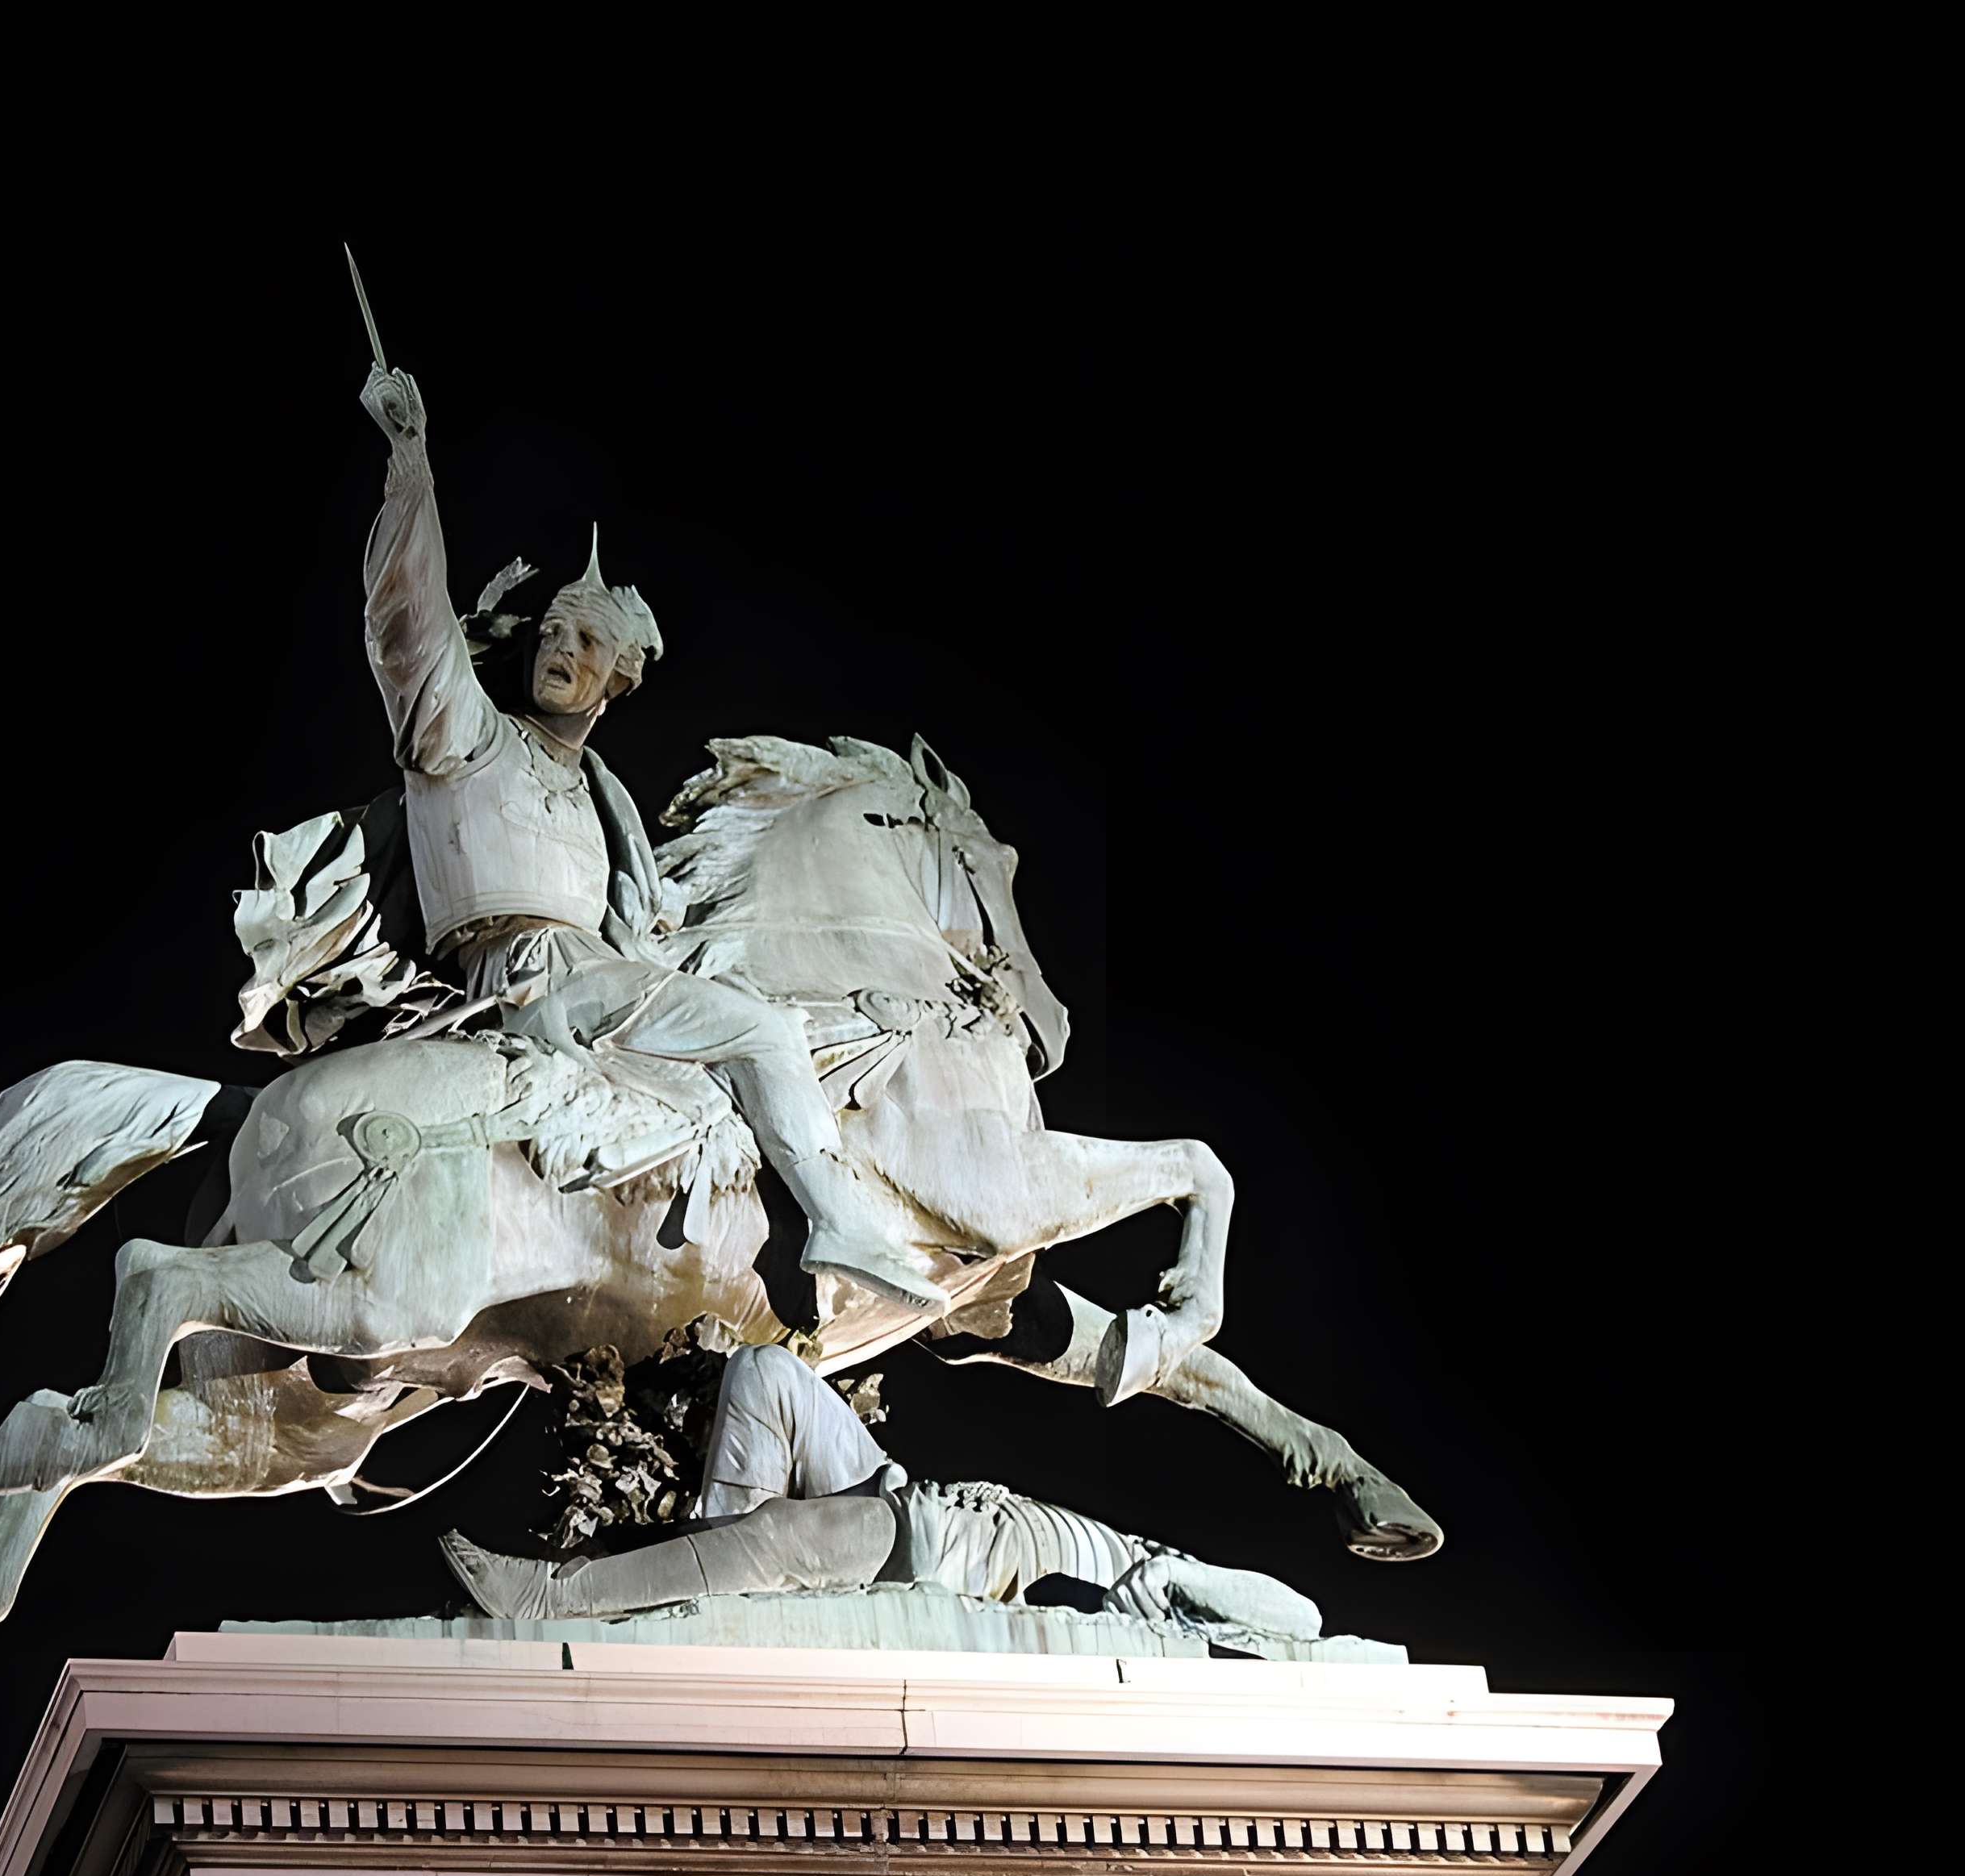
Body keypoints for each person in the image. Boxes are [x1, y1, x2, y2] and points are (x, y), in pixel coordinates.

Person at [356, 362, 948, 1315]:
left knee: (748, 1035)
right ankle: (833, 1216)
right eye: (550, 632)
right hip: (533, 978)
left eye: (583, 643)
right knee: (759, 1030)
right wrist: (410, 463)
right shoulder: (463, 733)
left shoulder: (600, 796)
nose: (558, 649)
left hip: (595, 977)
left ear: (618, 678)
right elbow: (407, 623)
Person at [440, 1344, 1325, 1643]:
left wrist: (1175, 1592)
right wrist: (1176, 1577)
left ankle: (556, 1594)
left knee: (783, 1537)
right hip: (918, 1495)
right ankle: (704, 1570)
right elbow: (1300, 1616)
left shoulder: (1135, 1595)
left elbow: (1304, 1624)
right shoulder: (1144, 1563)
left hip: (947, 1558)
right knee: (766, 1372)